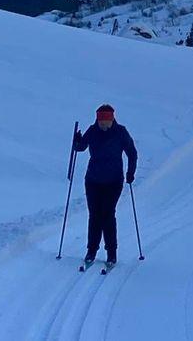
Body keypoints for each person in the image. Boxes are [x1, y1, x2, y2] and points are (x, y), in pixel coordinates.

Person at [72, 103, 138, 267]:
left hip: (113, 181)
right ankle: (91, 250)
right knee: (94, 215)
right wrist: (77, 141)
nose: (103, 125)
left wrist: (130, 172)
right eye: (101, 122)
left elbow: (132, 153)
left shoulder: (120, 132)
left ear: (112, 119)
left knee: (107, 214)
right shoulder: (93, 131)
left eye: (106, 122)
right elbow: (81, 148)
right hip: (93, 180)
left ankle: (111, 252)